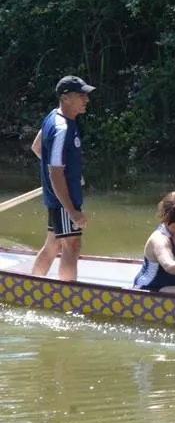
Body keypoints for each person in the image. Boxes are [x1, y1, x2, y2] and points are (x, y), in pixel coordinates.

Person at [30, 76, 95, 281]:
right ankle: (67, 298)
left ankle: (33, 285)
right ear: (66, 98)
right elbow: (55, 172)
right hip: (62, 199)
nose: (86, 99)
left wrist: (72, 173)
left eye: (86, 95)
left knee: (54, 243)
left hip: (59, 197)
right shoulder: (62, 129)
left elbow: (37, 147)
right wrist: (72, 211)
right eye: (81, 95)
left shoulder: (54, 117)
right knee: (71, 244)